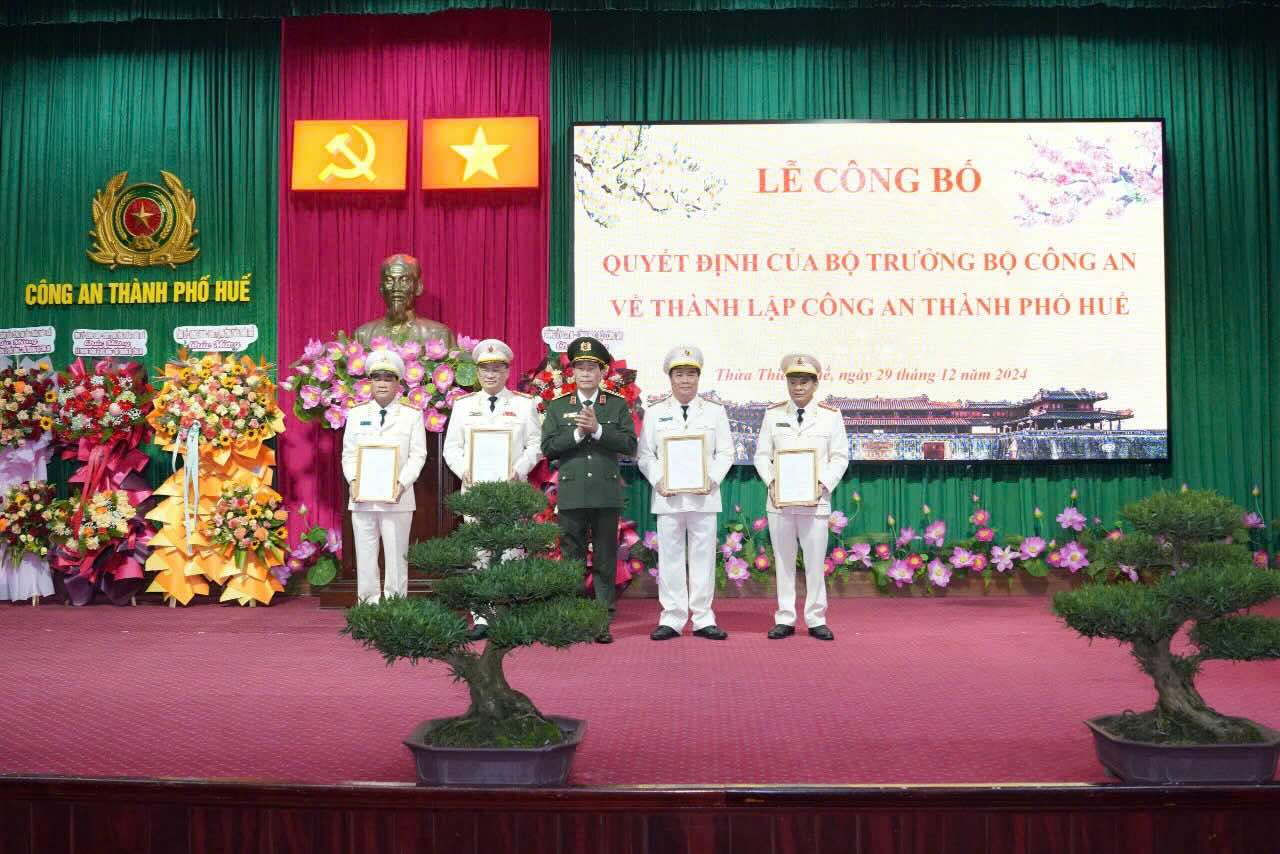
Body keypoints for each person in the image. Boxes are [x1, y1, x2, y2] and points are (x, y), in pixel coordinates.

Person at [443, 338, 544, 640]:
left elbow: (535, 445)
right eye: (485, 368)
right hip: (475, 491)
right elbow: (452, 448)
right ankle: (482, 616)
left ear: (507, 371)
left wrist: (520, 469)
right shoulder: (463, 407)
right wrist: (465, 470)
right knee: (479, 552)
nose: (490, 374)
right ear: (477, 371)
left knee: (512, 550)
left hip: (511, 491)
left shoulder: (524, 405)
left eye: (497, 368)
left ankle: (508, 612)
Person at [540, 336, 638, 644]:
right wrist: (578, 433)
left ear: (602, 373)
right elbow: (548, 448)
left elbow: (630, 446)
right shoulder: (557, 407)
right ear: (571, 373)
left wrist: (597, 430)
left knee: (606, 557)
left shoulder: (617, 405)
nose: (585, 373)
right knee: (572, 556)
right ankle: (571, 617)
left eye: (591, 368)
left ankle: (601, 617)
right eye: (580, 368)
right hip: (572, 494)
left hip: (605, 494)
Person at [637, 346, 733, 641]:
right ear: (670, 377)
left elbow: (726, 452)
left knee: (703, 559)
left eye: (691, 374)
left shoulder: (715, 412)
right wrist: (658, 480)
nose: (685, 380)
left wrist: (712, 479)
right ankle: (673, 618)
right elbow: (645, 456)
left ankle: (703, 618)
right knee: (670, 558)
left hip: (704, 497)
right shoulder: (654, 413)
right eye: (679, 374)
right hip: (668, 497)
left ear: (698, 377)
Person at [754, 353, 849, 641]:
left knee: (814, 561)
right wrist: (771, 481)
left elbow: (840, 456)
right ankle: (785, 617)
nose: (798, 387)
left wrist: (823, 483)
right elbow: (761, 455)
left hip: (815, 501)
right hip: (780, 502)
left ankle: (816, 618)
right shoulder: (773, 415)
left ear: (815, 384)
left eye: (804, 382)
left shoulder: (831, 417)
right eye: (793, 381)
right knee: (783, 560)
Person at [341, 348, 428, 603]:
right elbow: (349, 454)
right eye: (377, 377)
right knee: (365, 554)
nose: (381, 383)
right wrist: (353, 481)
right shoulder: (356, 415)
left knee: (396, 555)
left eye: (388, 378)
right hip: (362, 496)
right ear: (369, 382)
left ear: (398, 383)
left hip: (398, 497)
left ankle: (394, 604)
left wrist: (401, 483)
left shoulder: (411, 416)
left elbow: (418, 455)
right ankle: (367, 603)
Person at [353, 253, 454, 347]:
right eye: (389, 280)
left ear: (418, 287)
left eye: (404, 280)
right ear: (381, 288)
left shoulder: (438, 334)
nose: (396, 288)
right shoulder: (363, 335)